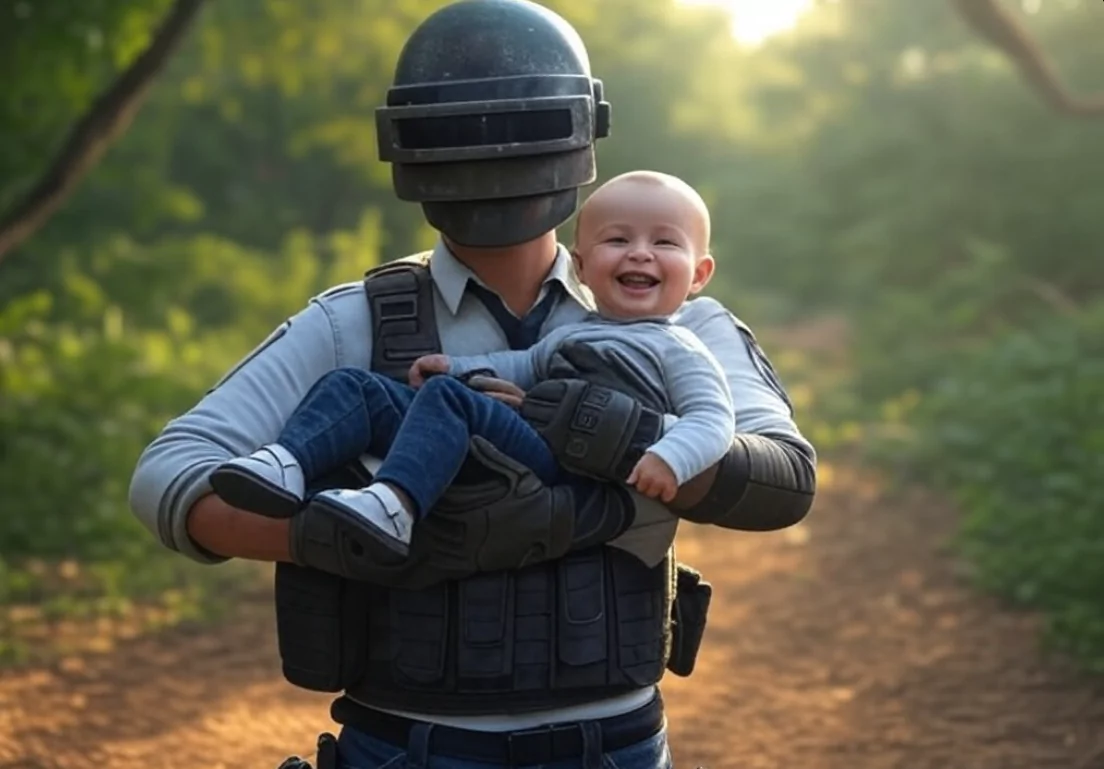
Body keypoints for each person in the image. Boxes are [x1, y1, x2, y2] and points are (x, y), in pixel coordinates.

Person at [126, 1, 818, 767]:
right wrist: (347, 540)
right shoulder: (355, 321)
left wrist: (627, 440)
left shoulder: (674, 318)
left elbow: (784, 482)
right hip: (411, 740)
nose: (490, 153)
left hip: (612, 740)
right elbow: (168, 474)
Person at [206, 170, 734, 564]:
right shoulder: (576, 333)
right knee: (357, 387)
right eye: (618, 240)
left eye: (664, 243)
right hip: (504, 440)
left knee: (450, 401)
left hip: (554, 472)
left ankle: (393, 505)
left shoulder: (681, 346)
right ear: (582, 265)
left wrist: (669, 457)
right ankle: (284, 463)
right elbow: (520, 363)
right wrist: (456, 365)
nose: (640, 254)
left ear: (700, 273)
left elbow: (714, 420)